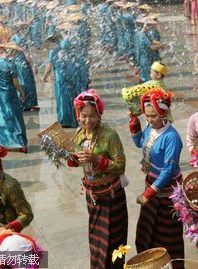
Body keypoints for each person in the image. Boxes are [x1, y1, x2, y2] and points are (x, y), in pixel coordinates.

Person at [68, 90, 128, 269]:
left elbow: (120, 166)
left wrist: (97, 159)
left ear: (99, 114)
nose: (88, 121)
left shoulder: (109, 135)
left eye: (92, 116)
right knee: (96, 240)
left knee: (114, 240)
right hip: (93, 196)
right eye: (84, 116)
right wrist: (69, 156)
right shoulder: (79, 134)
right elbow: (76, 160)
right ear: (78, 115)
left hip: (111, 196)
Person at [129, 89, 184, 269]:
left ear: (164, 113)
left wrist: (149, 193)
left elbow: (168, 170)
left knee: (168, 236)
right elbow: (139, 143)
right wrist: (134, 124)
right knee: (145, 232)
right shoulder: (150, 128)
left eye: (153, 116)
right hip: (151, 185)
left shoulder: (172, 138)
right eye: (147, 116)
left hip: (167, 191)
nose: (150, 120)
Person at [0, 43, 27, 152]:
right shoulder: (11, 64)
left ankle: (4, 142)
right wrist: (22, 92)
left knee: (3, 117)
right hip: (9, 93)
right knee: (15, 117)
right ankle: (20, 143)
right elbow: (16, 83)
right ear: (11, 52)